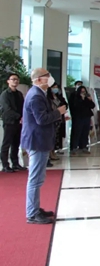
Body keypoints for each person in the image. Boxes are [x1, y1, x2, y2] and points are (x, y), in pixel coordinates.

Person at [21, 68, 66, 224]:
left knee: (38, 177)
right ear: (39, 79)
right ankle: (32, 214)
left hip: (40, 140)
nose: (50, 78)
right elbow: (41, 119)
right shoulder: (35, 96)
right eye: (47, 76)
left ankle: (35, 208)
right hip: (37, 141)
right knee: (35, 179)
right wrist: (58, 112)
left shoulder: (40, 94)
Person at [0, 73, 26, 173]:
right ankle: (5, 165)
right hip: (9, 122)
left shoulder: (19, 94)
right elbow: (7, 109)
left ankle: (15, 163)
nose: (15, 81)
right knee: (6, 144)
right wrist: (19, 117)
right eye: (13, 79)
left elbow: (23, 107)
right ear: (8, 81)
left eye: (17, 79)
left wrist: (23, 117)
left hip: (19, 122)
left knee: (16, 143)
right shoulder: (5, 94)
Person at [69, 85, 95, 154]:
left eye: (84, 91)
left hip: (86, 117)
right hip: (79, 118)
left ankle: (83, 146)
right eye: (81, 92)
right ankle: (74, 147)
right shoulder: (75, 98)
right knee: (77, 132)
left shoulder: (87, 98)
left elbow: (92, 105)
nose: (83, 93)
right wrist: (81, 99)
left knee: (85, 132)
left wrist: (89, 100)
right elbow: (76, 106)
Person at [47, 83, 69, 163]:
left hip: (59, 118)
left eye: (56, 87)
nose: (55, 89)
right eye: (54, 87)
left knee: (57, 136)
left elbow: (65, 105)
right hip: (52, 119)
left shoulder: (59, 97)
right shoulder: (48, 98)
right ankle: (50, 153)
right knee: (51, 137)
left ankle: (54, 151)